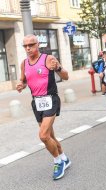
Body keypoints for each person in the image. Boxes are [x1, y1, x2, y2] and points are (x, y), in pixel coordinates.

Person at [16, 34, 71, 180]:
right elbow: (24, 80)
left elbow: (66, 76)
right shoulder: (24, 63)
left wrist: (58, 67)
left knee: (43, 135)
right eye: (25, 46)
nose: (28, 48)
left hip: (51, 99)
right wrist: (21, 85)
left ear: (37, 44)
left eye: (31, 45)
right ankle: (65, 158)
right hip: (37, 102)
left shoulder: (48, 59)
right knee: (50, 136)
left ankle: (58, 162)